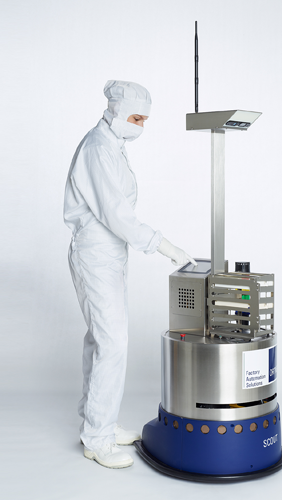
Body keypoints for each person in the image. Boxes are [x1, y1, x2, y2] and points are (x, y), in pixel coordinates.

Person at [63, 80, 196, 469]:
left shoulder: (113, 145)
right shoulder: (98, 148)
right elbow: (117, 214)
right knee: (113, 342)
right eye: (137, 118)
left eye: (144, 120)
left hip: (110, 254)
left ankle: (98, 421)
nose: (141, 126)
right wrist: (164, 245)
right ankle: (97, 439)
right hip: (95, 255)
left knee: (101, 339)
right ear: (118, 112)